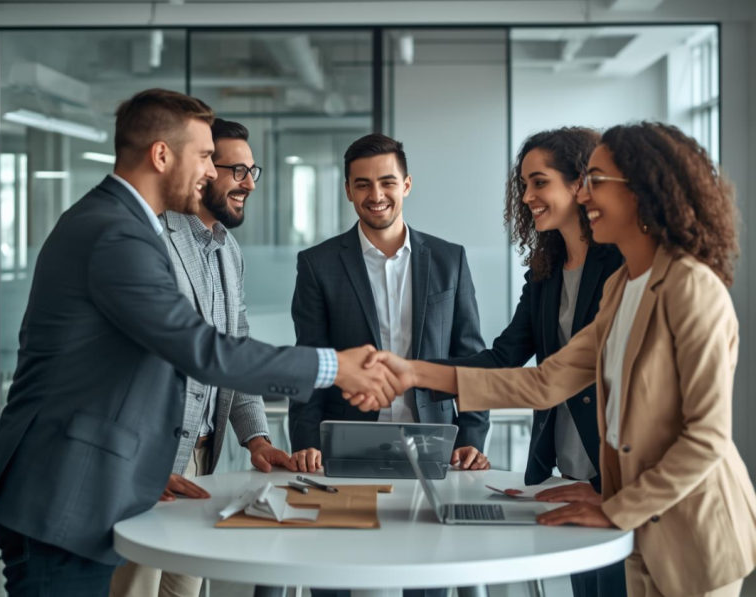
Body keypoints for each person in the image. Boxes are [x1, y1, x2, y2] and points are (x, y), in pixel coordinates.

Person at [0, 89, 402, 597]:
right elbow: (200, 349)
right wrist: (333, 368)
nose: (212, 172)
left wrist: (250, 438)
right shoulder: (117, 235)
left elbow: (208, 345)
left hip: (102, 478)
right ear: (162, 155)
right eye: (206, 157)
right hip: (66, 492)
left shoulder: (130, 228)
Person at [358, 123, 756, 597]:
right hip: (633, 533)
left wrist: (615, 506)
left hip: (692, 533)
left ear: (642, 190)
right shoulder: (621, 288)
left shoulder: (691, 287)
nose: (586, 195)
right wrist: (411, 372)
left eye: (596, 181)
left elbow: (705, 440)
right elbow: (545, 382)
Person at [110, 117, 306, 597]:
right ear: (203, 170)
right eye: (235, 170)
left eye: (252, 170)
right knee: (136, 586)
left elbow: (234, 349)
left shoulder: (228, 250)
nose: (249, 183)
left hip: (200, 457)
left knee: (185, 589)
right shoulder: (156, 237)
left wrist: (257, 438)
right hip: (152, 459)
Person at [441, 127, 625, 597]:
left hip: (618, 477)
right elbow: (504, 357)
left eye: (538, 182)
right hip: (567, 471)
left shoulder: (623, 267)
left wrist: (414, 375)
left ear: (579, 182)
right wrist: (412, 374)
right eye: (523, 185)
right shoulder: (544, 274)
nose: (526, 196)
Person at [289, 133, 489, 475]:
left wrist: (470, 436)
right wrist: (306, 441)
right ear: (348, 190)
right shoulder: (317, 264)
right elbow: (311, 358)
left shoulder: (449, 260)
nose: (376, 195)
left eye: (387, 182)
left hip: (436, 443)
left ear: (406, 185)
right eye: (363, 184)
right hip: (345, 442)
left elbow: (469, 356)